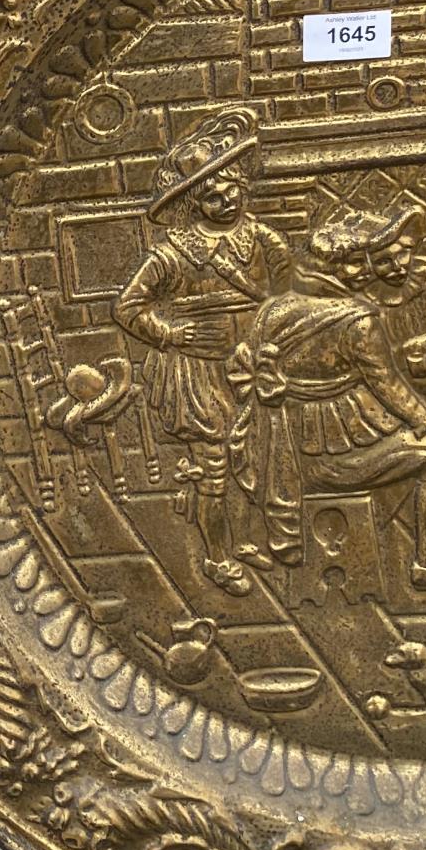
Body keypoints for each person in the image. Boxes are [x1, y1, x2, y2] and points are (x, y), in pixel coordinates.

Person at [235, 203, 426, 588]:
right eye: (359, 263)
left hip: (284, 453)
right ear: (339, 269)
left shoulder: (273, 310)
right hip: (331, 457)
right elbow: (388, 385)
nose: (368, 271)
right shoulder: (356, 320)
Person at [116, 110, 294, 594]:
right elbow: (128, 307)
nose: (224, 200)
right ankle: (216, 556)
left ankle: (248, 539)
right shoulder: (172, 254)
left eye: (230, 189)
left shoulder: (263, 240)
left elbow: (288, 297)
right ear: (194, 202)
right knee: (213, 466)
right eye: (211, 195)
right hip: (196, 373)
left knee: (258, 455)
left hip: (254, 364)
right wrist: (170, 335)